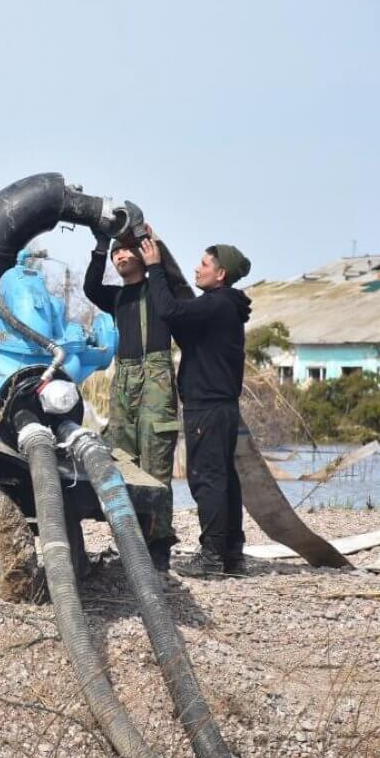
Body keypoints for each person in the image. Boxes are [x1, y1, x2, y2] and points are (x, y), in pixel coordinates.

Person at [139, 232, 252, 576]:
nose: (197, 269)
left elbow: (170, 310)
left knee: (207, 479)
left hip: (208, 406)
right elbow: (185, 329)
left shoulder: (216, 303)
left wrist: (155, 269)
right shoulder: (224, 307)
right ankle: (232, 554)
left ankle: (212, 557)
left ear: (221, 274)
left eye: (203, 264)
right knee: (225, 479)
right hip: (222, 407)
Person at [83, 228, 179, 571]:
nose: (121, 256)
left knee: (155, 463)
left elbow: (174, 287)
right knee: (123, 458)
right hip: (124, 377)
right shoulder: (115, 297)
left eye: (127, 251)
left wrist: (156, 257)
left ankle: (159, 547)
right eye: (116, 254)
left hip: (155, 376)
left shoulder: (160, 289)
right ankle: (131, 541)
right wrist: (99, 245)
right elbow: (90, 288)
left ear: (142, 254)